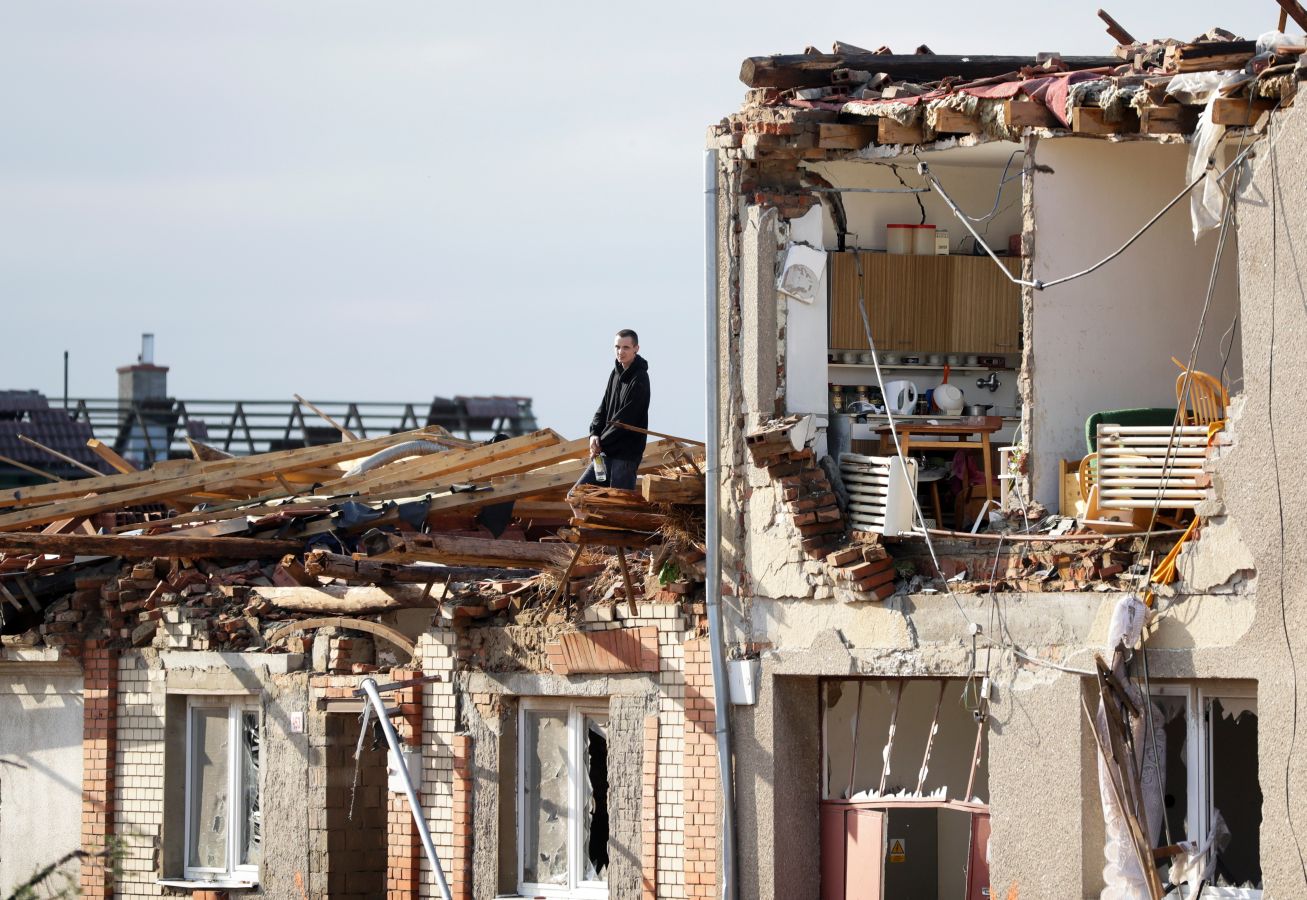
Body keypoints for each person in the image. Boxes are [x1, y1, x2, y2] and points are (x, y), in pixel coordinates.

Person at [572, 329, 650, 492]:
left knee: (618, 507)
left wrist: (600, 442)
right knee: (577, 495)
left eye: (626, 347)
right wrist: (593, 434)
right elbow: (604, 408)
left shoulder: (640, 378)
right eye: (617, 347)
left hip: (625, 456)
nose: (620, 352)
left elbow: (625, 420)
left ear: (636, 348)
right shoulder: (614, 374)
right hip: (606, 453)